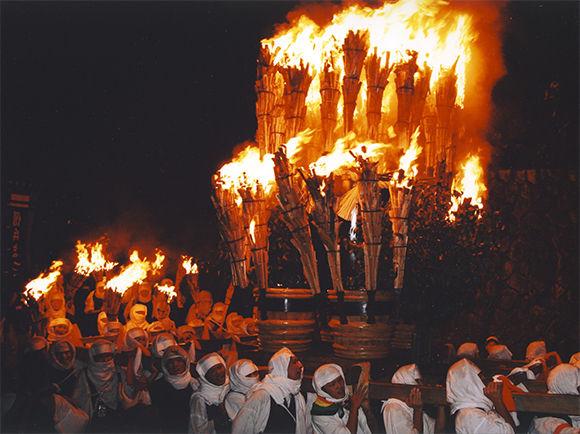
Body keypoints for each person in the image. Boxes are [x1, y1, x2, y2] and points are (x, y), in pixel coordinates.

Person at [232, 347, 312, 434]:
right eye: (294, 362)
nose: (300, 366)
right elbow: (242, 427)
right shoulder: (263, 395)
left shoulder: (297, 396)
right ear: (282, 367)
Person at [71, 340, 134, 432]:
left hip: (118, 412)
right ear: (93, 358)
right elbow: (78, 397)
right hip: (97, 414)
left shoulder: (119, 371)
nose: (105, 360)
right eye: (101, 357)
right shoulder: (86, 374)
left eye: (107, 356)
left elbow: (130, 392)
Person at [446, 358, 515, 434]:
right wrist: (498, 401)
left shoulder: (473, 411)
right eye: (479, 377)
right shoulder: (472, 416)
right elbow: (511, 432)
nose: (483, 379)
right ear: (471, 383)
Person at [148, 345, 199, 433]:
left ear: (185, 362)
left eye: (179, 360)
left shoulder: (195, 384)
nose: (175, 365)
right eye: (170, 362)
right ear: (165, 365)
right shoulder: (156, 386)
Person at [382, 364, 446, 434]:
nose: (421, 385)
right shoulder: (394, 408)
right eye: (417, 381)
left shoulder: (412, 406)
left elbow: (438, 431)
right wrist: (418, 410)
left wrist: (441, 405)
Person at [311, 363, 372, 434]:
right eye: (332, 384)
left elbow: (365, 428)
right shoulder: (320, 413)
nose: (339, 386)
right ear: (322, 390)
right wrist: (354, 408)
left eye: (340, 380)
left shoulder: (348, 400)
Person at [528, 363, 580, 433]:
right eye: (578, 388)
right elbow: (563, 430)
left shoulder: (566, 409)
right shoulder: (548, 414)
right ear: (569, 386)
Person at [189, 352, 231, 433]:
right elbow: (198, 429)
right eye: (212, 371)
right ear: (204, 376)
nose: (218, 373)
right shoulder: (201, 398)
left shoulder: (231, 386)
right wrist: (218, 417)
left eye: (219, 367)